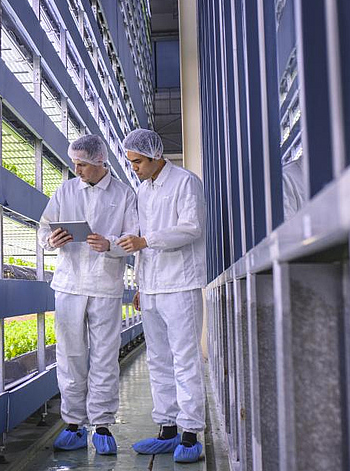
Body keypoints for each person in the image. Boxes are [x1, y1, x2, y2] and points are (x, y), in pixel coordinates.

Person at [37, 134, 139, 455]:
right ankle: (74, 424)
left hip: (106, 287)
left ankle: (103, 424)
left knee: (105, 355)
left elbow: (133, 237)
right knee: (69, 355)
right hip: (68, 285)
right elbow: (43, 229)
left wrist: (109, 244)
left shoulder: (124, 195)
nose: (76, 169)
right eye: (75, 164)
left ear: (99, 163)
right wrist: (51, 241)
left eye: (81, 164)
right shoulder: (65, 191)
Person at [117, 128, 207, 464]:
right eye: (131, 163)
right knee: (158, 360)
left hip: (180, 284)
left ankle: (190, 433)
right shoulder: (143, 189)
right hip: (152, 288)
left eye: (138, 161)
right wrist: (140, 284)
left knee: (184, 359)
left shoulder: (185, 181)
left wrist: (146, 241)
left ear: (155, 156)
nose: (134, 168)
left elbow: (192, 227)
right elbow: (141, 242)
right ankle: (167, 429)